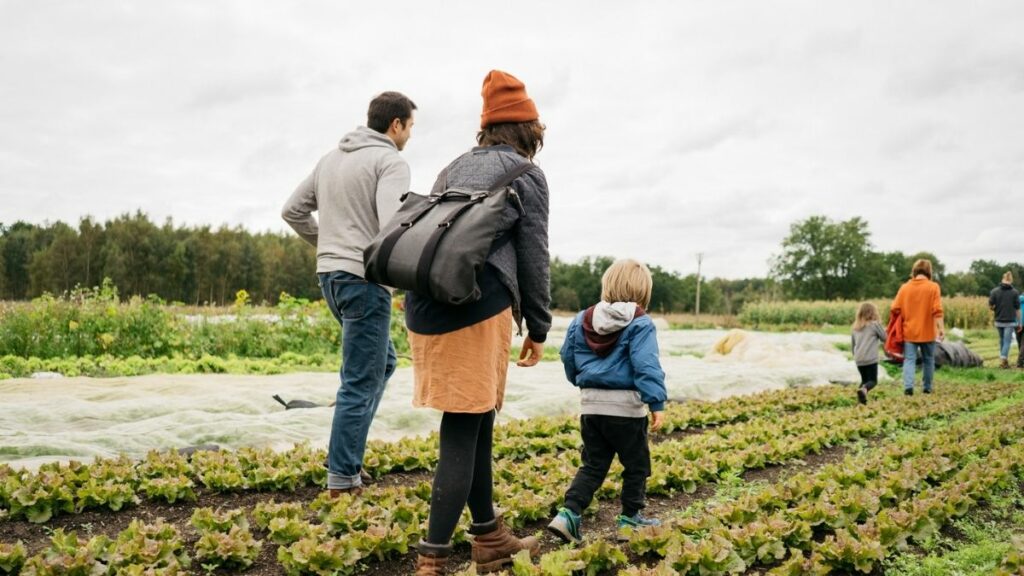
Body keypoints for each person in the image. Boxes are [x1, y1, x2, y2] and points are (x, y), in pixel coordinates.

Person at [410, 70, 551, 575]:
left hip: (425, 306)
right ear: (525, 127)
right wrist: (538, 327)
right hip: (476, 307)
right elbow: (534, 258)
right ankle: (431, 559)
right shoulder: (524, 174)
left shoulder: (451, 168)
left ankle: (489, 534)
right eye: (538, 125)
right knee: (463, 426)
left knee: (477, 418)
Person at [281, 91, 416, 496]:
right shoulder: (389, 161)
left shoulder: (331, 159)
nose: (410, 135)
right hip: (363, 281)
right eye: (410, 126)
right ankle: (342, 478)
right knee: (359, 380)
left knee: (383, 363)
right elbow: (393, 225)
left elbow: (292, 211)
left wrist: (331, 244)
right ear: (396, 125)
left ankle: (349, 460)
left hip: (331, 278)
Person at [547, 259, 667, 545]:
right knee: (636, 465)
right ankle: (630, 519)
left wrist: (582, 380)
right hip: (626, 409)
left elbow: (567, 355)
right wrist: (656, 403)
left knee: (593, 465)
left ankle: (568, 515)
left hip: (591, 407)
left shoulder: (581, 319)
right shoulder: (640, 322)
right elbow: (646, 365)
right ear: (643, 292)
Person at [891, 259, 945, 396]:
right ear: (928, 271)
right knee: (928, 360)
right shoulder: (933, 287)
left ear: (914, 271)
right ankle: (927, 388)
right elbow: (937, 310)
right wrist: (941, 329)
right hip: (928, 332)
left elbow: (894, 308)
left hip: (909, 331)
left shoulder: (904, 288)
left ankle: (908, 387)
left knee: (909, 360)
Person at [851, 302, 886, 405]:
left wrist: (856, 356)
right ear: (873, 312)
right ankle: (863, 391)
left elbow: (853, 345)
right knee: (872, 381)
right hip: (870, 358)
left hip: (859, 359)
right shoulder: (874, 325)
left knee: (864, 380)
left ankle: (860, 403)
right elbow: (884, 337)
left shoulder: (855, 327)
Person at [989, 271, 1021, 369]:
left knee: (1002, 340)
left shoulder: (994, 291)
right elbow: (1018, 309)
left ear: (1002, 279)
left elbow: (991, 305)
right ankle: (1003, 360)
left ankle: (1004, 361)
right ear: (1011, 280)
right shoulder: (1015, 292)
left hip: (998, 320)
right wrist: (1019, 322)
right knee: (1007, 341)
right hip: (1010, 321)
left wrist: (995, 308)